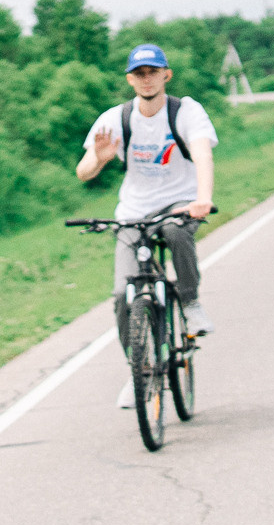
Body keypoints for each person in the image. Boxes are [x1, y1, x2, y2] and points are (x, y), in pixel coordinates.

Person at [78, 44, 218, 348]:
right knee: (121, 295)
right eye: (139, 74)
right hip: (134, 209)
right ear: (130, 79)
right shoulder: (117, 117)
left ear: (166, 75)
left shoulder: (185, 112)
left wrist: (203, 198)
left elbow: (203, 154)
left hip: (179, 201)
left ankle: (191, 303)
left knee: (174, 229)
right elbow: (83, 171)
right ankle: (137, 371)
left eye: (153, 72)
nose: (146, 79)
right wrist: (100, 158)